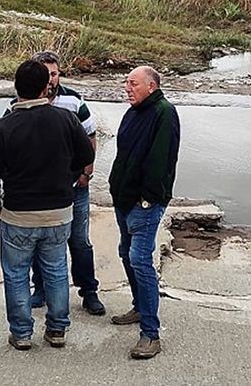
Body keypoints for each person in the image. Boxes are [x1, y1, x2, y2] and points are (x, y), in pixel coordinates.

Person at [0, 59, 95, 351]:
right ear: (47, 88)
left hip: (18, 215)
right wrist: (66, 177)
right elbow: (85, 155)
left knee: (16, 273)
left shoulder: (2, 127)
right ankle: (57, 329)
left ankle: (21, 333)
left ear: (16, 88)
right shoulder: (65, 120)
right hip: (59, 213)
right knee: (57, 269)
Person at [5, 51, 105, 316]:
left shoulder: (72, 100)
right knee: (43, 242)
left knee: (79, 241)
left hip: (74, 187)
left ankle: (89, 291)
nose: (51, 79)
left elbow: (90, 137)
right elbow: (6, 138)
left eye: (55, 73)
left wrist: (86, 174)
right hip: (41, 191)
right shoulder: (18, 102)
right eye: (45, 74)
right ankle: (41, 289)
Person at [108, 65, 180, 360]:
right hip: (123, 200)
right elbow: (123, 154)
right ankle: (140, 306)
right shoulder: (133, 112)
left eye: (133, 83)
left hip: (144, 204)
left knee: (140, 259)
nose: (127, 87)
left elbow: (162, 160)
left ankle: (151, 334)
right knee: (126, 254)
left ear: (151, 86)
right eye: (126, 82)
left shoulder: (164, 112)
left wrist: (148, 199)